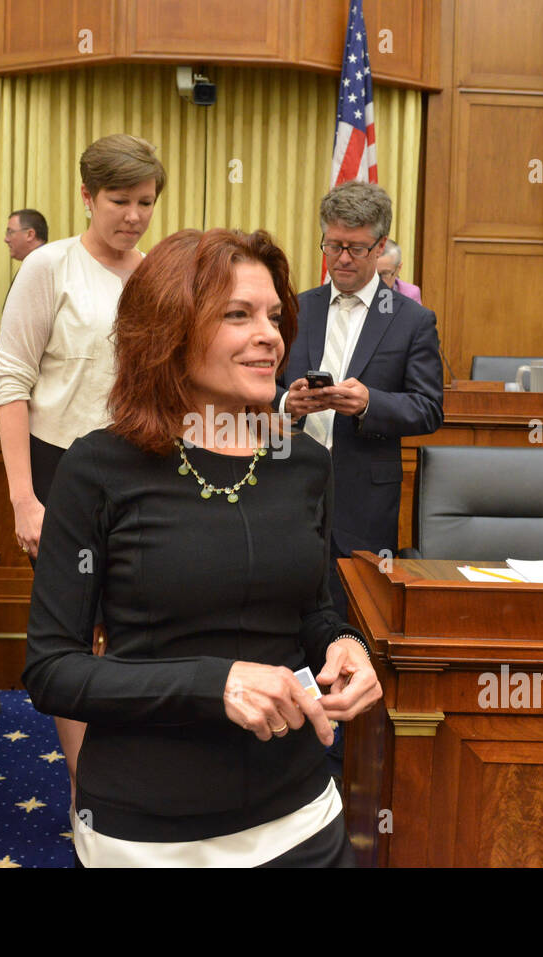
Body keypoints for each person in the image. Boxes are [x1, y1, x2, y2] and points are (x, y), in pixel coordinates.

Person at [23, 227, 382, 867]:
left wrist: (343, 644)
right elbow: (53, 671)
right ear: (169, 330)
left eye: (274, 315)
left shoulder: (303, 461)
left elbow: (311, 611)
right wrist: (213, 683)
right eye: (237, 315)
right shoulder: (99, 467)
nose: (269, 334)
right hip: (148, 832)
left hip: (301, 812)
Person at [0, 133, 164, 795]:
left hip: (136, 469)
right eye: (119, 200)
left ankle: (123, 772)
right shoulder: (49, 267)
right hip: (58, 467)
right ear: (86, 196)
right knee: (74, 633)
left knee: (125, 630)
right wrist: (23, 498)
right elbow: (11, 381)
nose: (133, 215)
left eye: (146, 202)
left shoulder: (153, 274)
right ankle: (84, 786)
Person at [277, 181, 444, 616]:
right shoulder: (295, 309)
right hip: (288, 486)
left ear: (380, 245)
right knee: (283, 606)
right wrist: (285, 405)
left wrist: (370, 404)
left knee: (356, 616)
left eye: (355, 247)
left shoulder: (412, 320)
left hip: (364, 500)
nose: (342, 258)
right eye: (333, 246)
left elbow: (428, 409)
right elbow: (258, 387)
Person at [376, 239, 422, 304]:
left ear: (398, 269)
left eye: (384, 274)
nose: (377, 280)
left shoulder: (410, 294)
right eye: (373, 273)